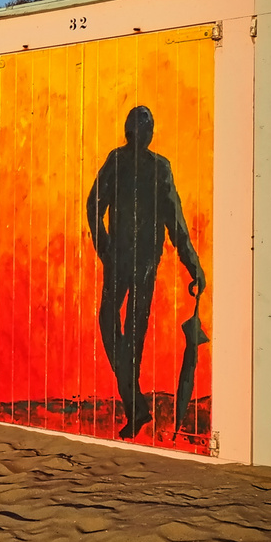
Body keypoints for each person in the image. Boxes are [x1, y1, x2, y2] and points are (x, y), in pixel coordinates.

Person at [86, 106, 206, 439]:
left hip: (142, 263)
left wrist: (193, 263)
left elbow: (175, 221)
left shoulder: (158, 167)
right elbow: (94, 203)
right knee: (114, 326)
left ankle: (135, 410)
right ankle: (136, 405)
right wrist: (105, 247)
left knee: (130, 333)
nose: (139, 136)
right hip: (121, 260)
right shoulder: (119, 161)